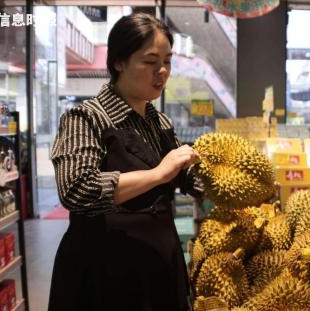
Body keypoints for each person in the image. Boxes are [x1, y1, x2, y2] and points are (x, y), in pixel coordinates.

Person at [48, 13, 200, 311]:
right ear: (119, 62)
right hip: (104, 272)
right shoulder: (86, 118)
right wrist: (158, 174)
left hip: (158, 266)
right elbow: (77, 189)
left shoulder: (160, 122)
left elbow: (187, 177)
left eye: (168, 61)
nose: (162, 71)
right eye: (150, 61)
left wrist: (225, 180)